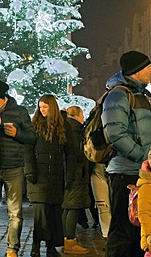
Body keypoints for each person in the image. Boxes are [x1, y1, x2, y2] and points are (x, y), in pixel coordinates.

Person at [101, 50, 151, 257]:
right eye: (148, 67)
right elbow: (116, 134)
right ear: (136, 71)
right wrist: (143, 156)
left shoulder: (138, 95)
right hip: (125, 172)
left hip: (140, 171)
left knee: (137, 230)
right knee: (123, 232)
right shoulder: (119, 94)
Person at [0, 79, 36, 257]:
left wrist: (18, 134)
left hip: (13, 166)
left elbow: (32, 137)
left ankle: (12, 248)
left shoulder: (19, 112)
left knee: (15, 212)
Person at [25, 95, 66, 257]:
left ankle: (50, 246)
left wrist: (68, 176)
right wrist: (30, 171)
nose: (42, 110)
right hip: (38, 177)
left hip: (56, 177)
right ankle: (36, 245)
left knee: (53, 213)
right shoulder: (34, 126)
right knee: (40, 213)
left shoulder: (62, 127)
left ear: (52, 108)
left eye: (45, 107)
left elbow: (69, 152)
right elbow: (28, 150)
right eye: (40, 107)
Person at [62, 105, 91, 254]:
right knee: (73, 206)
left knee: (67, 207)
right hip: (76, 172)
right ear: (80, 115)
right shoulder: (77, 130)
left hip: (67, 172)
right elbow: (78, 154)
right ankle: (70, 242)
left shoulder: (64, 126)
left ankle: (66, 239)